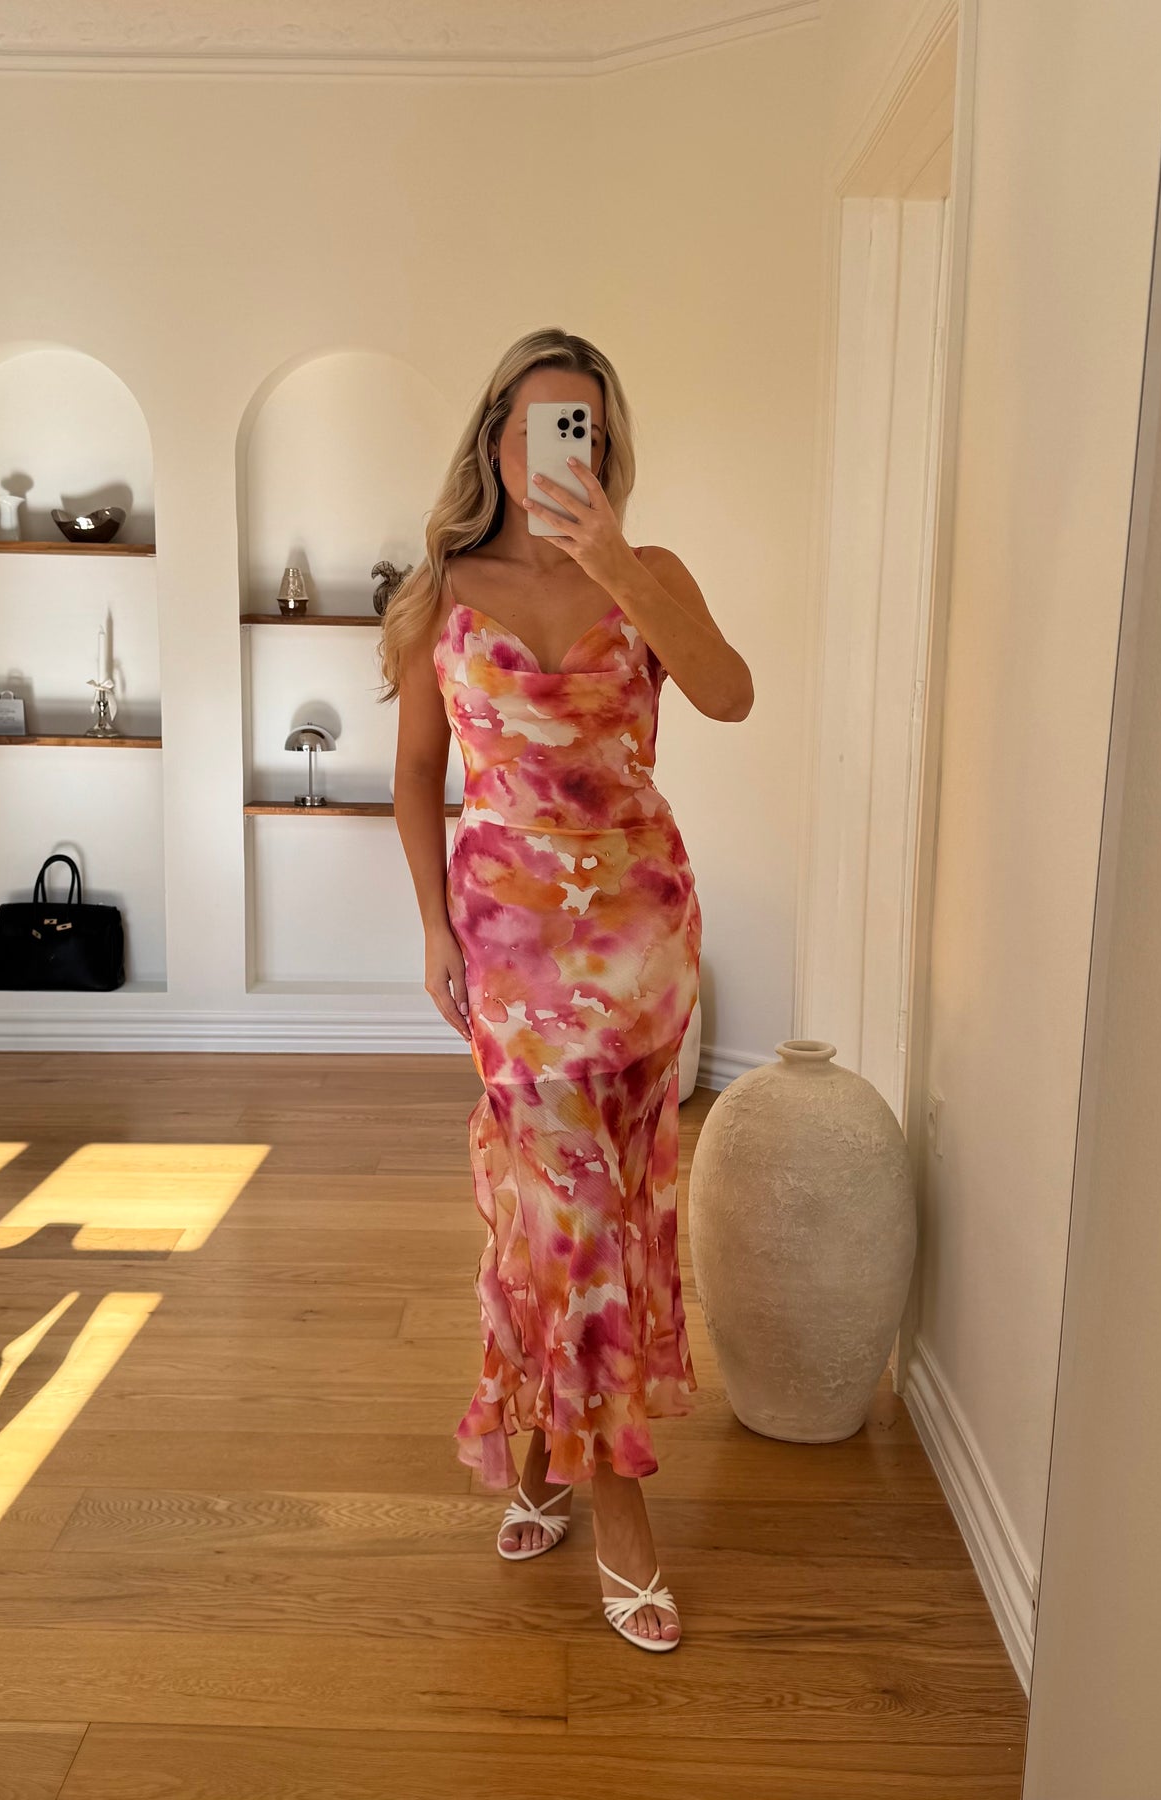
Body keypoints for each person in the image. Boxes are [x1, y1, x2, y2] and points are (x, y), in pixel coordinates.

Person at [382, 327, 753, 1650]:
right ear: (495, 439)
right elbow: (416, 772)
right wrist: (433, 928)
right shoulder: (440, 590)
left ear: (603, 445)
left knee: (605, 1211)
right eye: (536, 423)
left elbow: (729, 696)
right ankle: (621, 1511)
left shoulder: (650, 574)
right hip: (509, 942)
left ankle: (545, 1453)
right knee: (553, 1210)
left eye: (578, 426)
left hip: (640, 935)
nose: (555, 448)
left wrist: (617, 570)